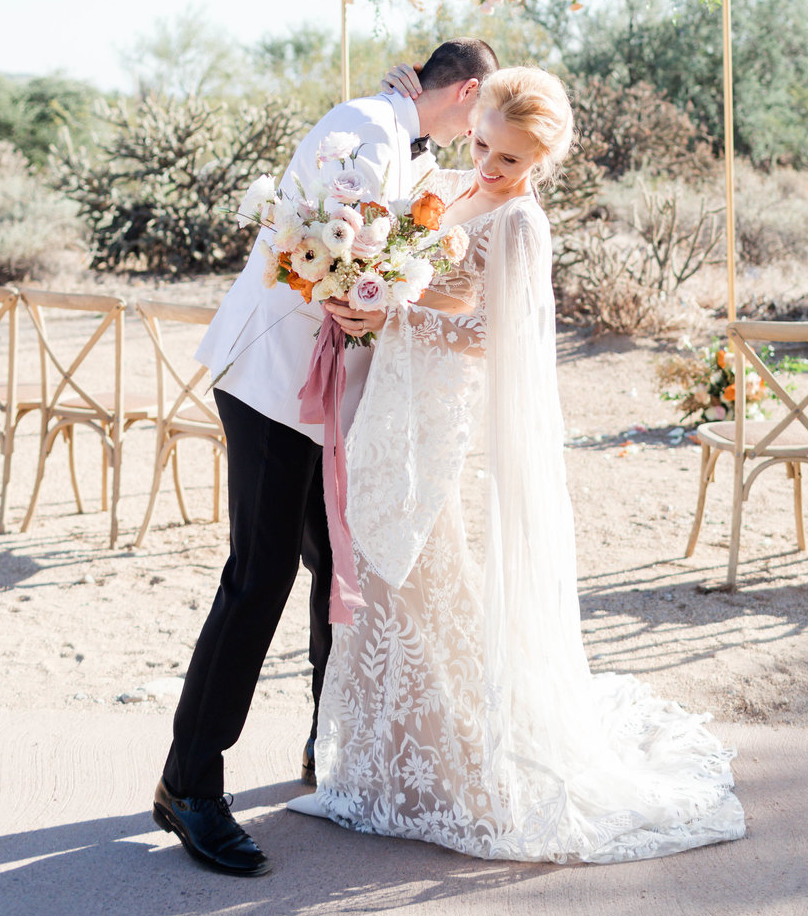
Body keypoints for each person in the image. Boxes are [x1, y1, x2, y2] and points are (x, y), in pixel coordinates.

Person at [288, 65, 746, 863]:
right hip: (394, 398)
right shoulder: (456, 184)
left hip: (445, 416)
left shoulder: (522, 224)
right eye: (487, 147)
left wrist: (398, 310)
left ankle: (459, 772)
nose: (494, 169)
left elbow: (495, 337)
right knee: (390, 573)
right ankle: (388, 765)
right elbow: (416, 258)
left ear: (539, 160)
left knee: (435, 576)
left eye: (511, 161)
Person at [152, 37, 500, 877]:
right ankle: (188, 785)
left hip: (324, 397)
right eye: (480, 118)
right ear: (471, 90)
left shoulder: (403, 148)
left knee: (329, 558)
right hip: (275, 383)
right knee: (260, 572)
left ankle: (327, 743)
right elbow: (321, 252)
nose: (476, 136)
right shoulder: (365, 126)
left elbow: (402, 247)